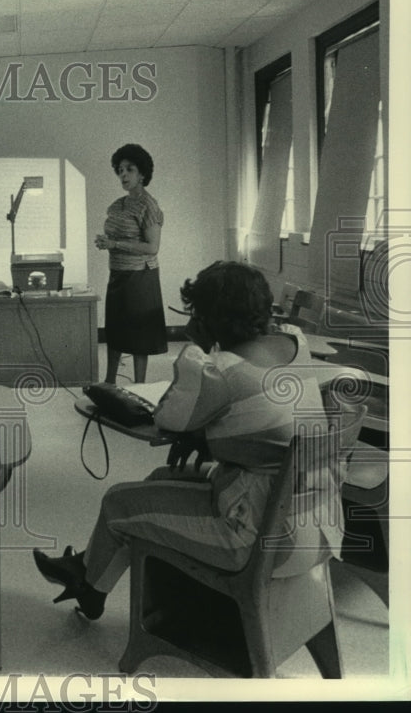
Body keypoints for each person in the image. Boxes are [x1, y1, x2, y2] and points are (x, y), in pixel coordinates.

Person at [33, 261, 337, 621]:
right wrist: (207, 438)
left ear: (208, 318)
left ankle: (88, 583)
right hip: (316, 522)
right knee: (159, 481)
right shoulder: (293, 342)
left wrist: (196, 350)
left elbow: (167, 418)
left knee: (119, 502)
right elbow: (263, 422)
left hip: (261, 535)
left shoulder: (222, 371)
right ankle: (88, 577)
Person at [94, 144, 168, 384]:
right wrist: (105, 242)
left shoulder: (149, 206)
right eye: (120, 170)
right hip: (117, 275)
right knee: (114, 331)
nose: (123, 175)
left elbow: (152, 247)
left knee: (139, 336)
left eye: (130, 169)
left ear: (142, 174)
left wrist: (114, 244)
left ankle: (140, 387)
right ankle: (109, 383)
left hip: (140, 278)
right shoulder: (117, 205)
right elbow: (116, 238)